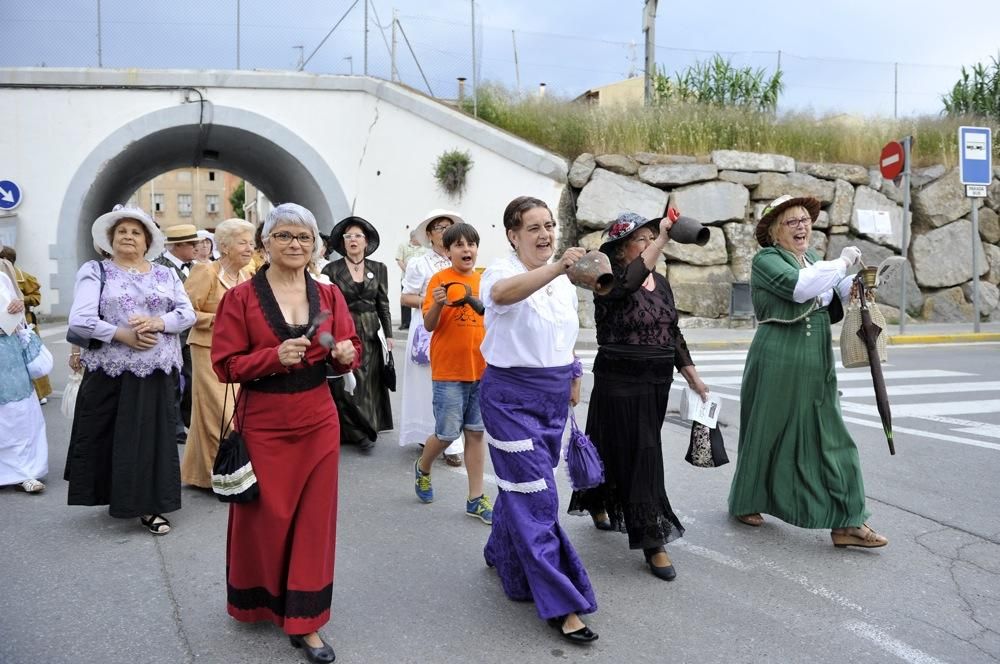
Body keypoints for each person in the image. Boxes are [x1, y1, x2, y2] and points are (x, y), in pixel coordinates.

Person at [212, 203, 360, 664]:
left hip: (318, 417)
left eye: (303, 237)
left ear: (314, 246)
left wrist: (344, 354)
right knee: (268, 518)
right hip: (264, 420)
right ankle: (260, 600)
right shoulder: (239, 299)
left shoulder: (330, 295)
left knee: (315, 519)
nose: (295, 245)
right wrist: (273, 357)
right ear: (265, 244)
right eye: (284, 237)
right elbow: (226, 365)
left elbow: (349, 346)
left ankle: (306, 620)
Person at [727, 195, 888, 549]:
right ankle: (746, 501)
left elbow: (827, 294)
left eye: (805, 220)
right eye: (792, 221)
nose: (802, 226)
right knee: (766, 431)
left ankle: (848, 520)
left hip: (815, 356)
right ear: (774, 231)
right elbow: (801, 288)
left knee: (832, 436)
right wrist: (841, 262)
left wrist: (855, 284)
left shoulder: (813, 259)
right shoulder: (767, 260)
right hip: (778, 354)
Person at [479, 195, 598, 645]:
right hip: (509, 401)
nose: (546, 233)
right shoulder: (501, 270)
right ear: (513, 234)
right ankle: (563, 602)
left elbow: (563, 336)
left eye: (549, 225)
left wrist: (573, 374)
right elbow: (500, 296)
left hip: (551, 400)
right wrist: (557, 267)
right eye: (534, 227)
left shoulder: (563, 284)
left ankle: (501, 552)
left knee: (522, 490)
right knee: (538, 498)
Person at [567, 212, 709, 582]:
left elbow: (671, 330)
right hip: (620, 378)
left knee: (615, 444)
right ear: (620, 249)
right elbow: (628, 286)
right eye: (642, 240)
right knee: (642, 452)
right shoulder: (607, 280)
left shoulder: (660, 283)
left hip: (656, 380)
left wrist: (689, 370)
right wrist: (663, 240)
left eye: (651, 238)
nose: (649, 244)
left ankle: (596, 498)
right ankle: (652, 540)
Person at [65, 205, 195, 535]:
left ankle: (150, 505)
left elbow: (187, 314)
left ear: (148, 240)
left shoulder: (166, 274)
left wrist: (159, 322)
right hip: (112, 370)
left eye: (136, 232)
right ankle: (119, 495)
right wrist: (122, 334)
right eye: (121, 231)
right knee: (115, 436)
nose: (128, 236)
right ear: (110, 239)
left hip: (157, 368)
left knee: (153, 440)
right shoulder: (97, 271)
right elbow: (80, 319)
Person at [413, 222, 492, 524]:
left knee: (475, 433)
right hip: (448, 371)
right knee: (447, 434)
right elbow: (430, 324)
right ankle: (423, 466)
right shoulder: (439, 280)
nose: (466, 249)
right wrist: (439, 305)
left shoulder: (484, 280)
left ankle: (475, 499)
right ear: (447, 252)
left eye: (470, 244)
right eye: (458, 245)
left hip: (481, 370)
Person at [180, 218, 255, 488]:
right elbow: (185, 312)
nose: (249, 248)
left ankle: (200, 474)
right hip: (207, 351)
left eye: (251, 243)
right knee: (220, 413)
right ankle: (221, 475)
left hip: (239, 353)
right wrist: (218, 319)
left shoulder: (246, 275)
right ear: (224, 246)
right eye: (243, 242)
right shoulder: (206, 272)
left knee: (224, 412)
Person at [321, 216, 393, 449]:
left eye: (357, 236)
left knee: (371, 379)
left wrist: (389, 334)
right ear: (342, 242)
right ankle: (356, 430)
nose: (353, 240)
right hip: (345, 328)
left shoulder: (379, 269)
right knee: (351, 379)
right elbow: (327, 306)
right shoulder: (331, 270)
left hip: (372, 329)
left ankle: (370, 424)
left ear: (366, 241)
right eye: (348, 236)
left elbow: (383, 303)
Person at [399, 209, 464, 466]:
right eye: (439, 228)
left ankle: (451, 438)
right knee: (429, 384)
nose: (445, 231)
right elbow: (406, 297)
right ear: (429, 235)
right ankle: (433, 436)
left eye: (449, 226)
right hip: (428, 327)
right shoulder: (419, 263)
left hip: (457, 328)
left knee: (456, 383)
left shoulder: (458, 259)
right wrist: (435, 302)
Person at [0, 271, 48, 494]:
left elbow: (14, 308)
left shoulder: (2, 277)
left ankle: (24, 472)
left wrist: (18, 307)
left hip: (7, 351)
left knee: (18, 414)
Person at [155, 223, 200, 444]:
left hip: (191, 334)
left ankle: (189, 422)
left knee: (192, 381)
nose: (197, 247)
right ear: (178, 245)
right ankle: (173, 428)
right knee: (171, 382)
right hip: (168, 335)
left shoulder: (195, 267)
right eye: (192, 244)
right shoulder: (158, 267)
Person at [0, 246, 52, 404]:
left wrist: (22, 301)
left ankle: (41, 392)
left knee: (31, 359)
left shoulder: (24, 276)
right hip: (6, 328)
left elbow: (36, 298)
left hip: (25, 323)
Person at [395, 233, 424, 330]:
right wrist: (408, 272)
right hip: (406, 278)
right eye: (418, 237)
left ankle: (423, 321)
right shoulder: (403, 245)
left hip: (422, 280)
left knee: (422, 300)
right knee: (405, 301)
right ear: (412, 238)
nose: (420, 239)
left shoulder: (425, 247)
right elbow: (399, 260)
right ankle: (405, 323)